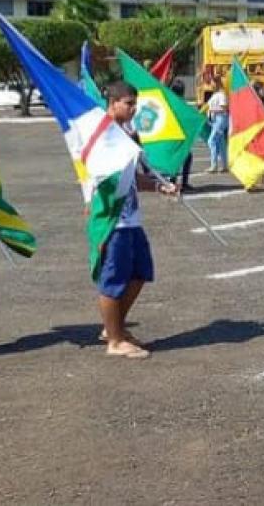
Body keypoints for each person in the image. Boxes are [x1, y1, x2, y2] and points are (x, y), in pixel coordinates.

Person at [97, 81, 179, 359]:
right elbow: (97, 177)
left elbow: (133, 178)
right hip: (112, 220)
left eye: (135, 104)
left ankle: (114, 328)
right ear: (113, 103)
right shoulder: (103, 135)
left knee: (141, 272)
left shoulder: (126, 134)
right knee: (113, 279)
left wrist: (159, 186)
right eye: (129, 103)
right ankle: (115, 341)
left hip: (131, 218)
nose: (133, 109)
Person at [168, 78, 193, 191]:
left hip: (172, 135)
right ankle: (182, 183)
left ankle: (173, 181)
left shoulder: (169, 101)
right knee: (185, 158)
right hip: (179, 135)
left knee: (178, 159)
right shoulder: (181, 103)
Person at [206, 75, 229, 173]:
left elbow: (224, 108)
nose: (211, 85)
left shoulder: (221, 94)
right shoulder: (215, 94)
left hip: (220, 120)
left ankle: (214, 165)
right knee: (221, 143)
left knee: (211, 141)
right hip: (215, 120)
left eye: (212, 83)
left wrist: (212, 110)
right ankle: (225, 165)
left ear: (216, 83)